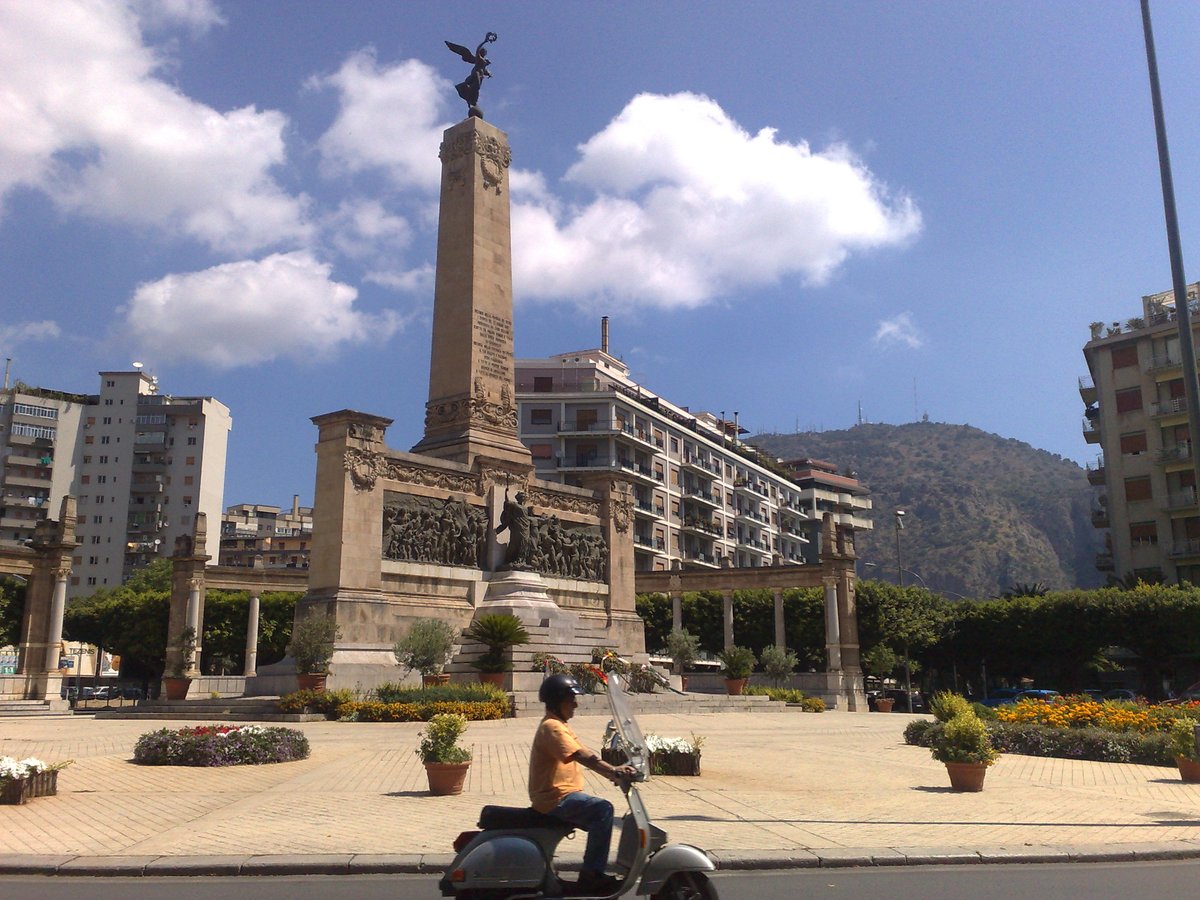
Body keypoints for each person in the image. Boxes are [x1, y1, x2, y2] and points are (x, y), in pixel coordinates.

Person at [529, 674, 636, 895]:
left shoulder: (560, 725)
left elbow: (586, 753)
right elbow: (581, 756)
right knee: (602, 810)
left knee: (597, 810)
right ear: (558, 701)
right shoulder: (552, 727)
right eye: (571, 699)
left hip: (560, 796)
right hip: (555, 799)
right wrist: (613, 771)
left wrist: (614, 771)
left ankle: (592, 873)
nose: (576, 704)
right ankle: (591, 875)